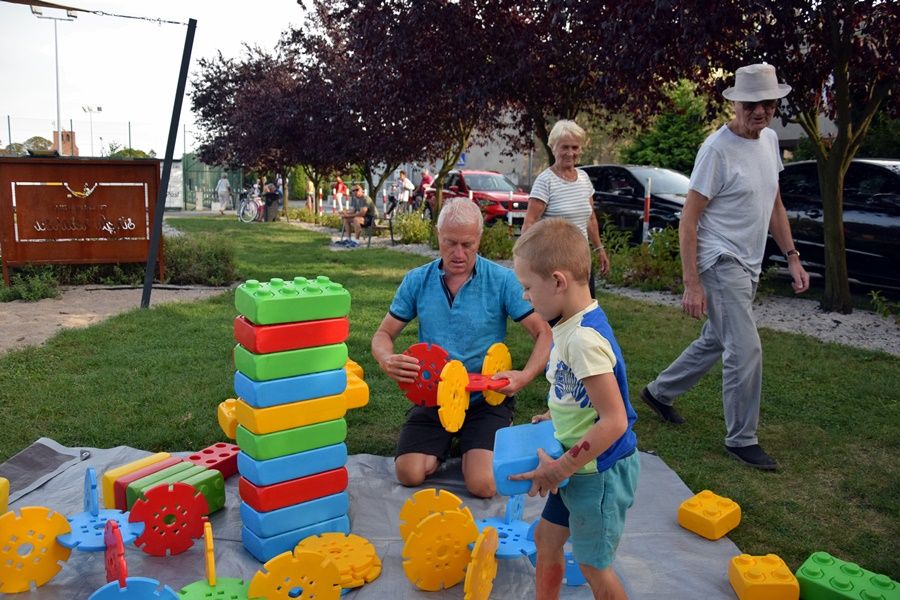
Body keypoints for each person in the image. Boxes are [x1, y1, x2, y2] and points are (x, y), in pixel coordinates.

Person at [640, 63, 810, 470]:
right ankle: (741, 438)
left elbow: (774, 203)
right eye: (752, 104)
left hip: (749, 261)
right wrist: (692, 282)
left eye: (767, 104)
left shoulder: (768, 142)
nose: (760, 112)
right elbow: (689, 218)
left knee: (717, 338)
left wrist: (792, 257)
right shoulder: (716, 150)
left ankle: (659, 392)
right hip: (720, 258)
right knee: (745, 346)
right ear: (736, 104)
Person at [371, 199, 552, 498]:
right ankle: (451, 440)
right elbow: (383, 333)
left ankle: (471, 442)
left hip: (485, 399)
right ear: (437, 235)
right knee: (408, 474)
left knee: (482, 485)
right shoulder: (418, 280)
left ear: (479, 239)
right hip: (435, 396)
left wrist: (524, 376)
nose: (458, 253)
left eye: (467, 244)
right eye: (449, 243)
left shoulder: (502, 280)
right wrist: (386, 358)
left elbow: (543, 332)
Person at [509, 217, 639, 600]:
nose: (525, 298)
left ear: (558, 281)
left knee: (592, 566)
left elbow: (614, 420)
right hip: (573, 470)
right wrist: (559, 412)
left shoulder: (583, 340)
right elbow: (584, 393)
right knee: (546, 542)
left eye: (528, 287)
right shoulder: (568, 325)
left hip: (596, 474)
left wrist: (561, 467)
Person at [522, 120, 609, 298]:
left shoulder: (584, 179)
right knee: (559, 319)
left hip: (582, 261)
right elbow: (529, 224)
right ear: (553, 147)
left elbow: (590, 219)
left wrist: (599, 249)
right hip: (556, 263)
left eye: (575, 147)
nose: (570, 153)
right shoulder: (545, 181)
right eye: (565, 147)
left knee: (584, 314)